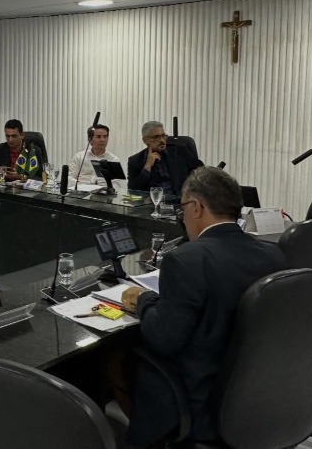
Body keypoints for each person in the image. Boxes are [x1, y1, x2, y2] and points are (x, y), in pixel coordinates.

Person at [115, 167, 287, 448]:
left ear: (196, 207)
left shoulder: (184, 260)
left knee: (116, 356)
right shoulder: (274, 255)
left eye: (182, 208)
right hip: (255, 394)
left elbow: (163, 339)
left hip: (201, 401)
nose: (182, 216)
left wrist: (143, 299)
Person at [127, 120, 202, 196]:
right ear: (145, 140)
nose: (162, 140)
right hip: (153, 202)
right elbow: (132, 190)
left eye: (163, 136)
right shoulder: (135, 161)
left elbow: (201, 172)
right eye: (156, 137)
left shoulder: (180, 151)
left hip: (180, 200)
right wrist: (147, 167)